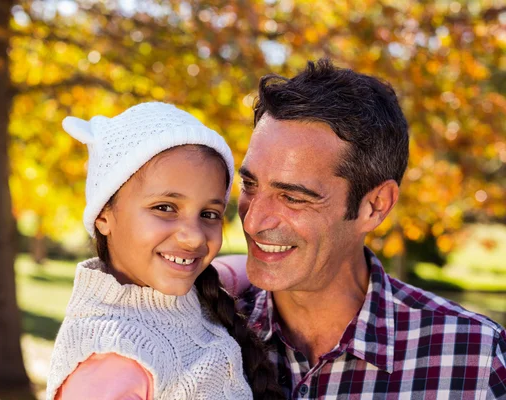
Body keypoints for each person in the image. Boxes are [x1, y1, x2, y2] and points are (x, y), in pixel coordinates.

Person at [218, 59, 506, 399]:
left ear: (376, 206)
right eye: (250, 185)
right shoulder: (203, 329)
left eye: (293, 197)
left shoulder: (473, 358)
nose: (252, 221)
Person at [45, 102, 284, 400]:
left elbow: (239, 269)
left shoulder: (192, 294)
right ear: (103, 215)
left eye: (209, 214)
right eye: (165, 208)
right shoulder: (112, 359)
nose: (193, 237)